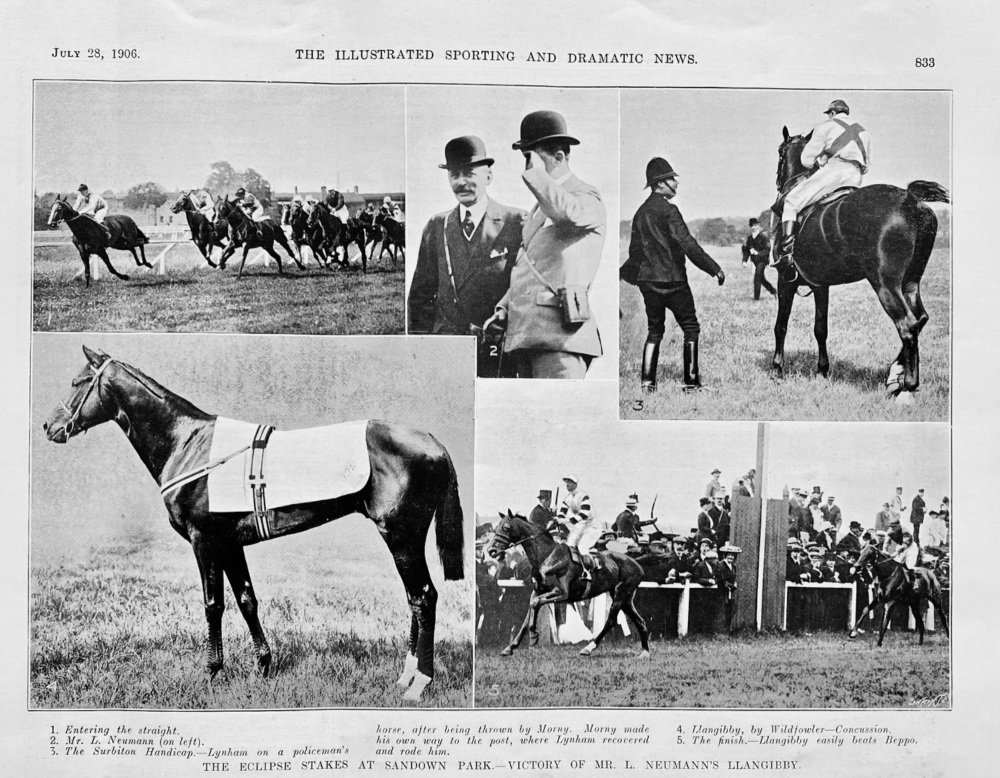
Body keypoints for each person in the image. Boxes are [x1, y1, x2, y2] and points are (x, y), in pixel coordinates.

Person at [484, 110, 605, 379]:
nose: (527, 167)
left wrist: (539, 175)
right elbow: (526, 265)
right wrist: (504, 310)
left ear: (559, 157)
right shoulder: (541, 206)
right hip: (525, 337)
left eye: (532, 157)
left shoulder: (586, 197)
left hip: (560, 341)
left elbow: (566, 213)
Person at [408, 136, 526, 377]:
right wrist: (421, 350)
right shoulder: (437, 225)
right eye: (454, 175)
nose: (461, 182)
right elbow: (420, 297)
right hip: (448, 351)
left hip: (497, 351)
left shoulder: (516, 222)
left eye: (469, 173)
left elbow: (524, 290)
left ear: (488, 176)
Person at [620, 157, 725, 392]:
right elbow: (687, 243)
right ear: (659, 184)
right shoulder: (670, 210)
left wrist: (630, 276)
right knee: (690, 327)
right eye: (671, 179)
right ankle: (691, 383)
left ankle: (647, 383)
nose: (676, 183)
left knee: (654, 330)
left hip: (648, 282)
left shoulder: (639, 213)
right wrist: (714, 268)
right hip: (674, 280)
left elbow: (634, 252)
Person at [774, 99, 872, 270]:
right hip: (855, 176)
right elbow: (867, 166)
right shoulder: (864, 132)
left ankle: (786, 253)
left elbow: (806, 160)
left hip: (835, 171)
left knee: (791, 202)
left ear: (832, 113)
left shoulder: (825, 127)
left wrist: (819, 163)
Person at [741, 217, 775, 299]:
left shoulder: (763, 237)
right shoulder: (749, 238)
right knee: (761, 279)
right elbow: (746, 250)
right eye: (752, 225)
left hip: (763, 260)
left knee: (757, 277)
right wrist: (744, 260)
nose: (754, 227)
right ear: (750, 227)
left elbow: (767, 249)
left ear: (758, 226)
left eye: (755, 225)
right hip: (755, 261)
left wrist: (758, 253)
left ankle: (756, 298)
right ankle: (773, 291)